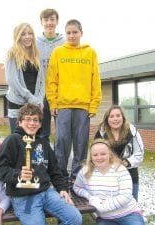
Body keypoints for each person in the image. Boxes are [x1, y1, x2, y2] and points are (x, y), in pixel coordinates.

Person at [0, 103, 82, 225]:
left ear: (40, 124)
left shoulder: (43, 143)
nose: (32, 123)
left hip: (46, 192)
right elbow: (0, 169)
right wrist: (19, 174)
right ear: (19, 122)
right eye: (28, 119)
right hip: (23, 197)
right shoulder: (12, 140)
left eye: (35, 120)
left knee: (75, 218)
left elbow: (55, 170)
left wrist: (62, 188)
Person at [46, 19, 102, 184]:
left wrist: (94, 104)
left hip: (83, 107)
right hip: (63, 106)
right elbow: (52, 80)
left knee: (81, 144)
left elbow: (95, 80)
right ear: (65, 34)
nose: (71, 35)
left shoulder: (90, 52)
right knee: (61, 143)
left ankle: (76, 177)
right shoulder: (58, 52)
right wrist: (53, 103)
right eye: (68, 32)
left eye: (75, 32)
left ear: (81, 33)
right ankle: (60, 177)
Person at [73, 139, 145, 225]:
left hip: (129, 214)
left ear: (110, 154)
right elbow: (77, 187)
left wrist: (103, 207)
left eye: (103, 154)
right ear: (91, 157)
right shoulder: (85, 171)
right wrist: (90, 197)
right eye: (95, 155)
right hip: (106, 218)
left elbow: (126, 196)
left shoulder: (120, 169)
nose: (99, 157)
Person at [94, 105, 144, 201]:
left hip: (130, 177)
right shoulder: (101, 134)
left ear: (123, 117)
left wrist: (126, 162)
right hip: (108, 178)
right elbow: (95, 155)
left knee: (131, 207)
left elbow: (139, 154)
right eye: (111, 116)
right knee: (112, 208)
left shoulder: (132, 132)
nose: (115, 119)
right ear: (107, 119)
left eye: (118, 115)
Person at [5, 22, 45, 133]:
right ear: (17, 36)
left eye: (30, 33)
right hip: (18, 102)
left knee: (33, 140)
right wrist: (30, 97)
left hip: (34, 104)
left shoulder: (37, 55)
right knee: (18, 140)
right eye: (23, 34)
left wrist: (39, 100)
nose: (27, 37)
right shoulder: (12, 54)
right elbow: (11, 80)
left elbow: (42, 81)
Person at [36, 8, 65, 142]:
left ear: (57, 22)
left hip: (59, 93)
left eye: (52, 19)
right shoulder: (35, 43)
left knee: (61, 131)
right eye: (46, 20)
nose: (49, 23)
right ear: (41, 22)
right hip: (41, 93)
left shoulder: (64, 43)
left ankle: (59, 161)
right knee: (42, 131)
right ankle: (44, 160)